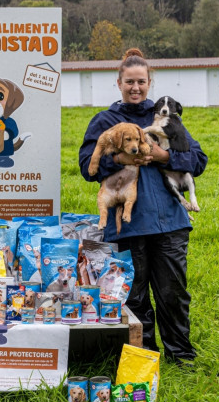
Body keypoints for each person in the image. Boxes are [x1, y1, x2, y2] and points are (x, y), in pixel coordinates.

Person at [78, 49, 208, 366]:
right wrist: (121, 159)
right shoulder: (104, 121)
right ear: (119, 83)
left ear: (149, 82)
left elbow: (198, 160)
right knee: (134, 297)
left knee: (172, 294)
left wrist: (164, 157)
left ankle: (181, 358)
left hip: (170, 224)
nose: (135, 88)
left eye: (141, 82)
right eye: (129, 82)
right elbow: (86, 167)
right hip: (128, 225)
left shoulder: (165, 118)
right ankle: (142, 359)